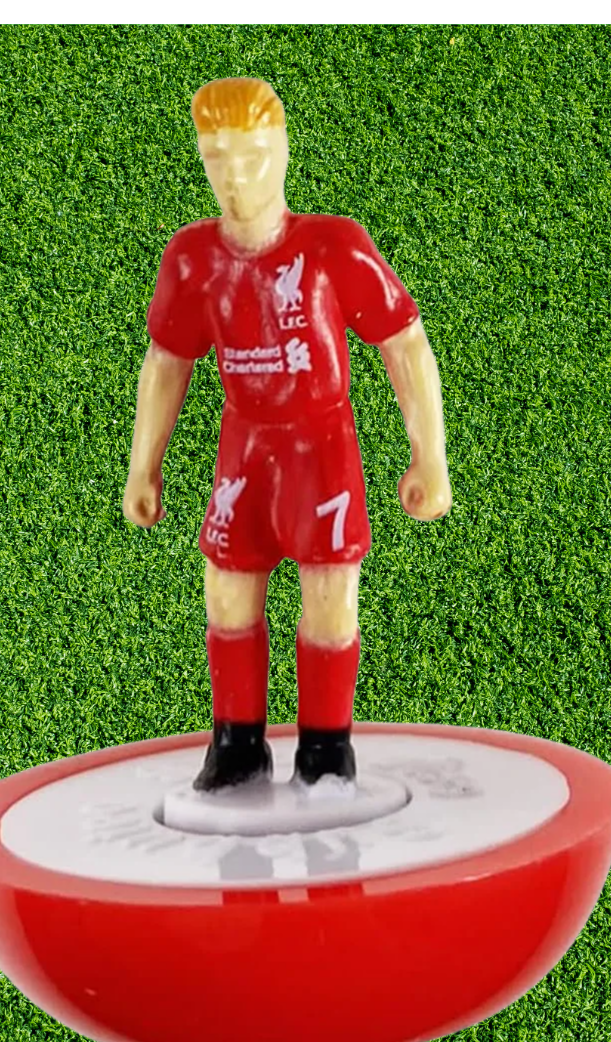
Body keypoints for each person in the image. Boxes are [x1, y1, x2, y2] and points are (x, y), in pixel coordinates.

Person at [122, 77, 452, 793]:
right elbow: (167, 361)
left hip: (321, 446)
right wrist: (143, 466)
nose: (236, 176)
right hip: (245, 445)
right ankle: (236, 743)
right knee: (226, 589)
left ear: (284, 151)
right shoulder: (192, 258)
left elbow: (404, 340)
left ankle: (326, 749)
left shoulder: (334, 246)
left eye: (253, 155)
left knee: (330, 590)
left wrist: (430, 456)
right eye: (217, 158)